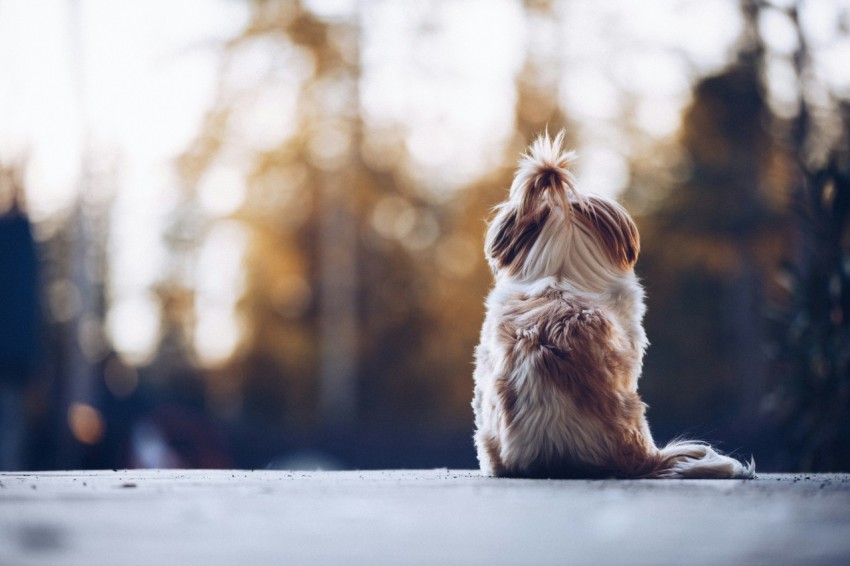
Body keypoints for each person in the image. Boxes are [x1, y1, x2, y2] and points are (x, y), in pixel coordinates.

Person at [0, 171, 40, 470]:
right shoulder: (24, 241)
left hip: (13, 356)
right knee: (11, 425)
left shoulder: (21, 241)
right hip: (16, 356)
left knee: (11, 423)